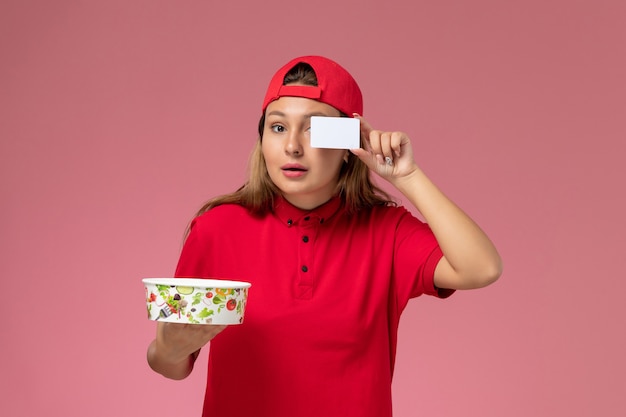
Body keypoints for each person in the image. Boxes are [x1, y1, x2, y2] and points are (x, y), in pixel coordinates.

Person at [146, 55, 502, 417]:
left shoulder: (386, 232)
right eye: (278, 127)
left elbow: (482, 268)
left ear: (349, 144)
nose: (293, 147)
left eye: (315, 128)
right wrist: (169, 348)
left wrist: (407, 177)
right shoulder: (216, 229)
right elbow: (172, 362)